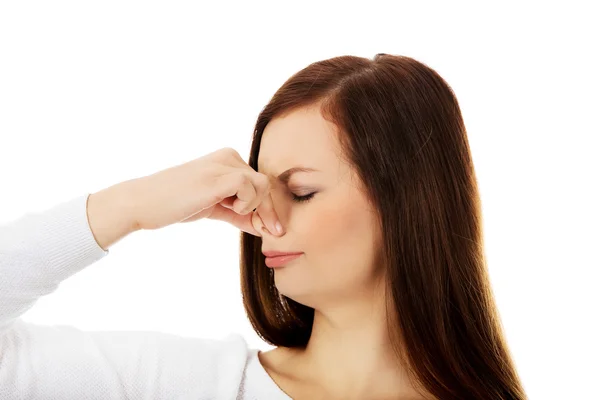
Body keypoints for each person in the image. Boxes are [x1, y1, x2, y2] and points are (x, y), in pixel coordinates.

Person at [0, 54, 528, 400]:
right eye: (261, 189)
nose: (260, 221)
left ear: (407, 201)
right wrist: (129, 206)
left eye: (300, 192)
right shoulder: (196, 385)